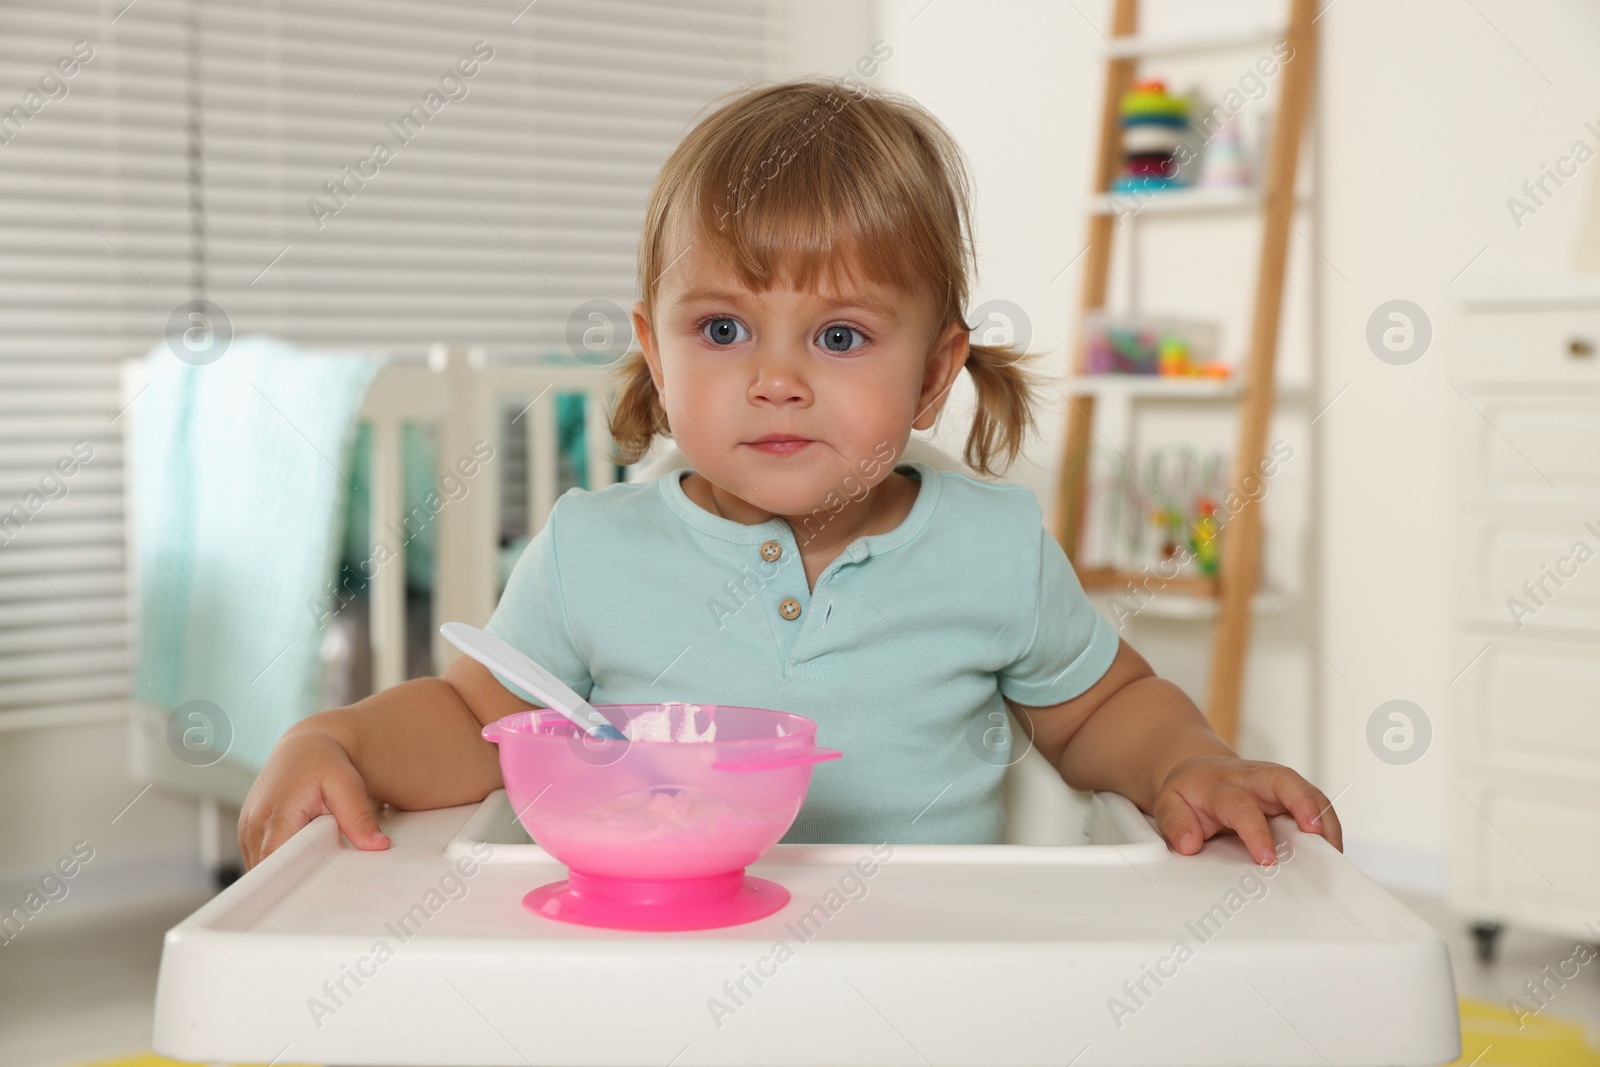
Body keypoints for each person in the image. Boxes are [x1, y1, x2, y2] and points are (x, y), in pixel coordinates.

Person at [239, 76, 1342, 869]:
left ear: (932, 373)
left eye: (841, 337)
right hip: (653, 978)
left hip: (919, 996)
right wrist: (337, 738)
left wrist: (1188, 763)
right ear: (655, 351)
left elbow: (1104, 705)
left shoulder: (993, 545)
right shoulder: (589, 551)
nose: (775, 378)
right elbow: (470, 714)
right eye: (721, 329)